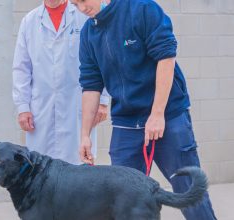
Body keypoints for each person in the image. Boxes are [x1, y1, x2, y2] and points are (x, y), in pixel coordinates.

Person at [72, 0, 217, 219]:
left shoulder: (141, 8)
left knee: (188, 190)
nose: (81, 9)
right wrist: (84, 135)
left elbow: (166, 57)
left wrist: (157, 114)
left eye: (82, 0)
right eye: (75, 4)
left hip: (167, 117)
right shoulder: (88, 34)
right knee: (124, 197)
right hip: (126, 123)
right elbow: (91, 85)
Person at [13, 0, 110, 164]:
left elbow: (104, 58)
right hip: (41, 110)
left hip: (78, 105)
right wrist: (23, 108)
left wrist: (103, 101)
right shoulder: (29, 21)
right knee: (40, 169)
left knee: (78, 168)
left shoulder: (83, 15)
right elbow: (21, 68)